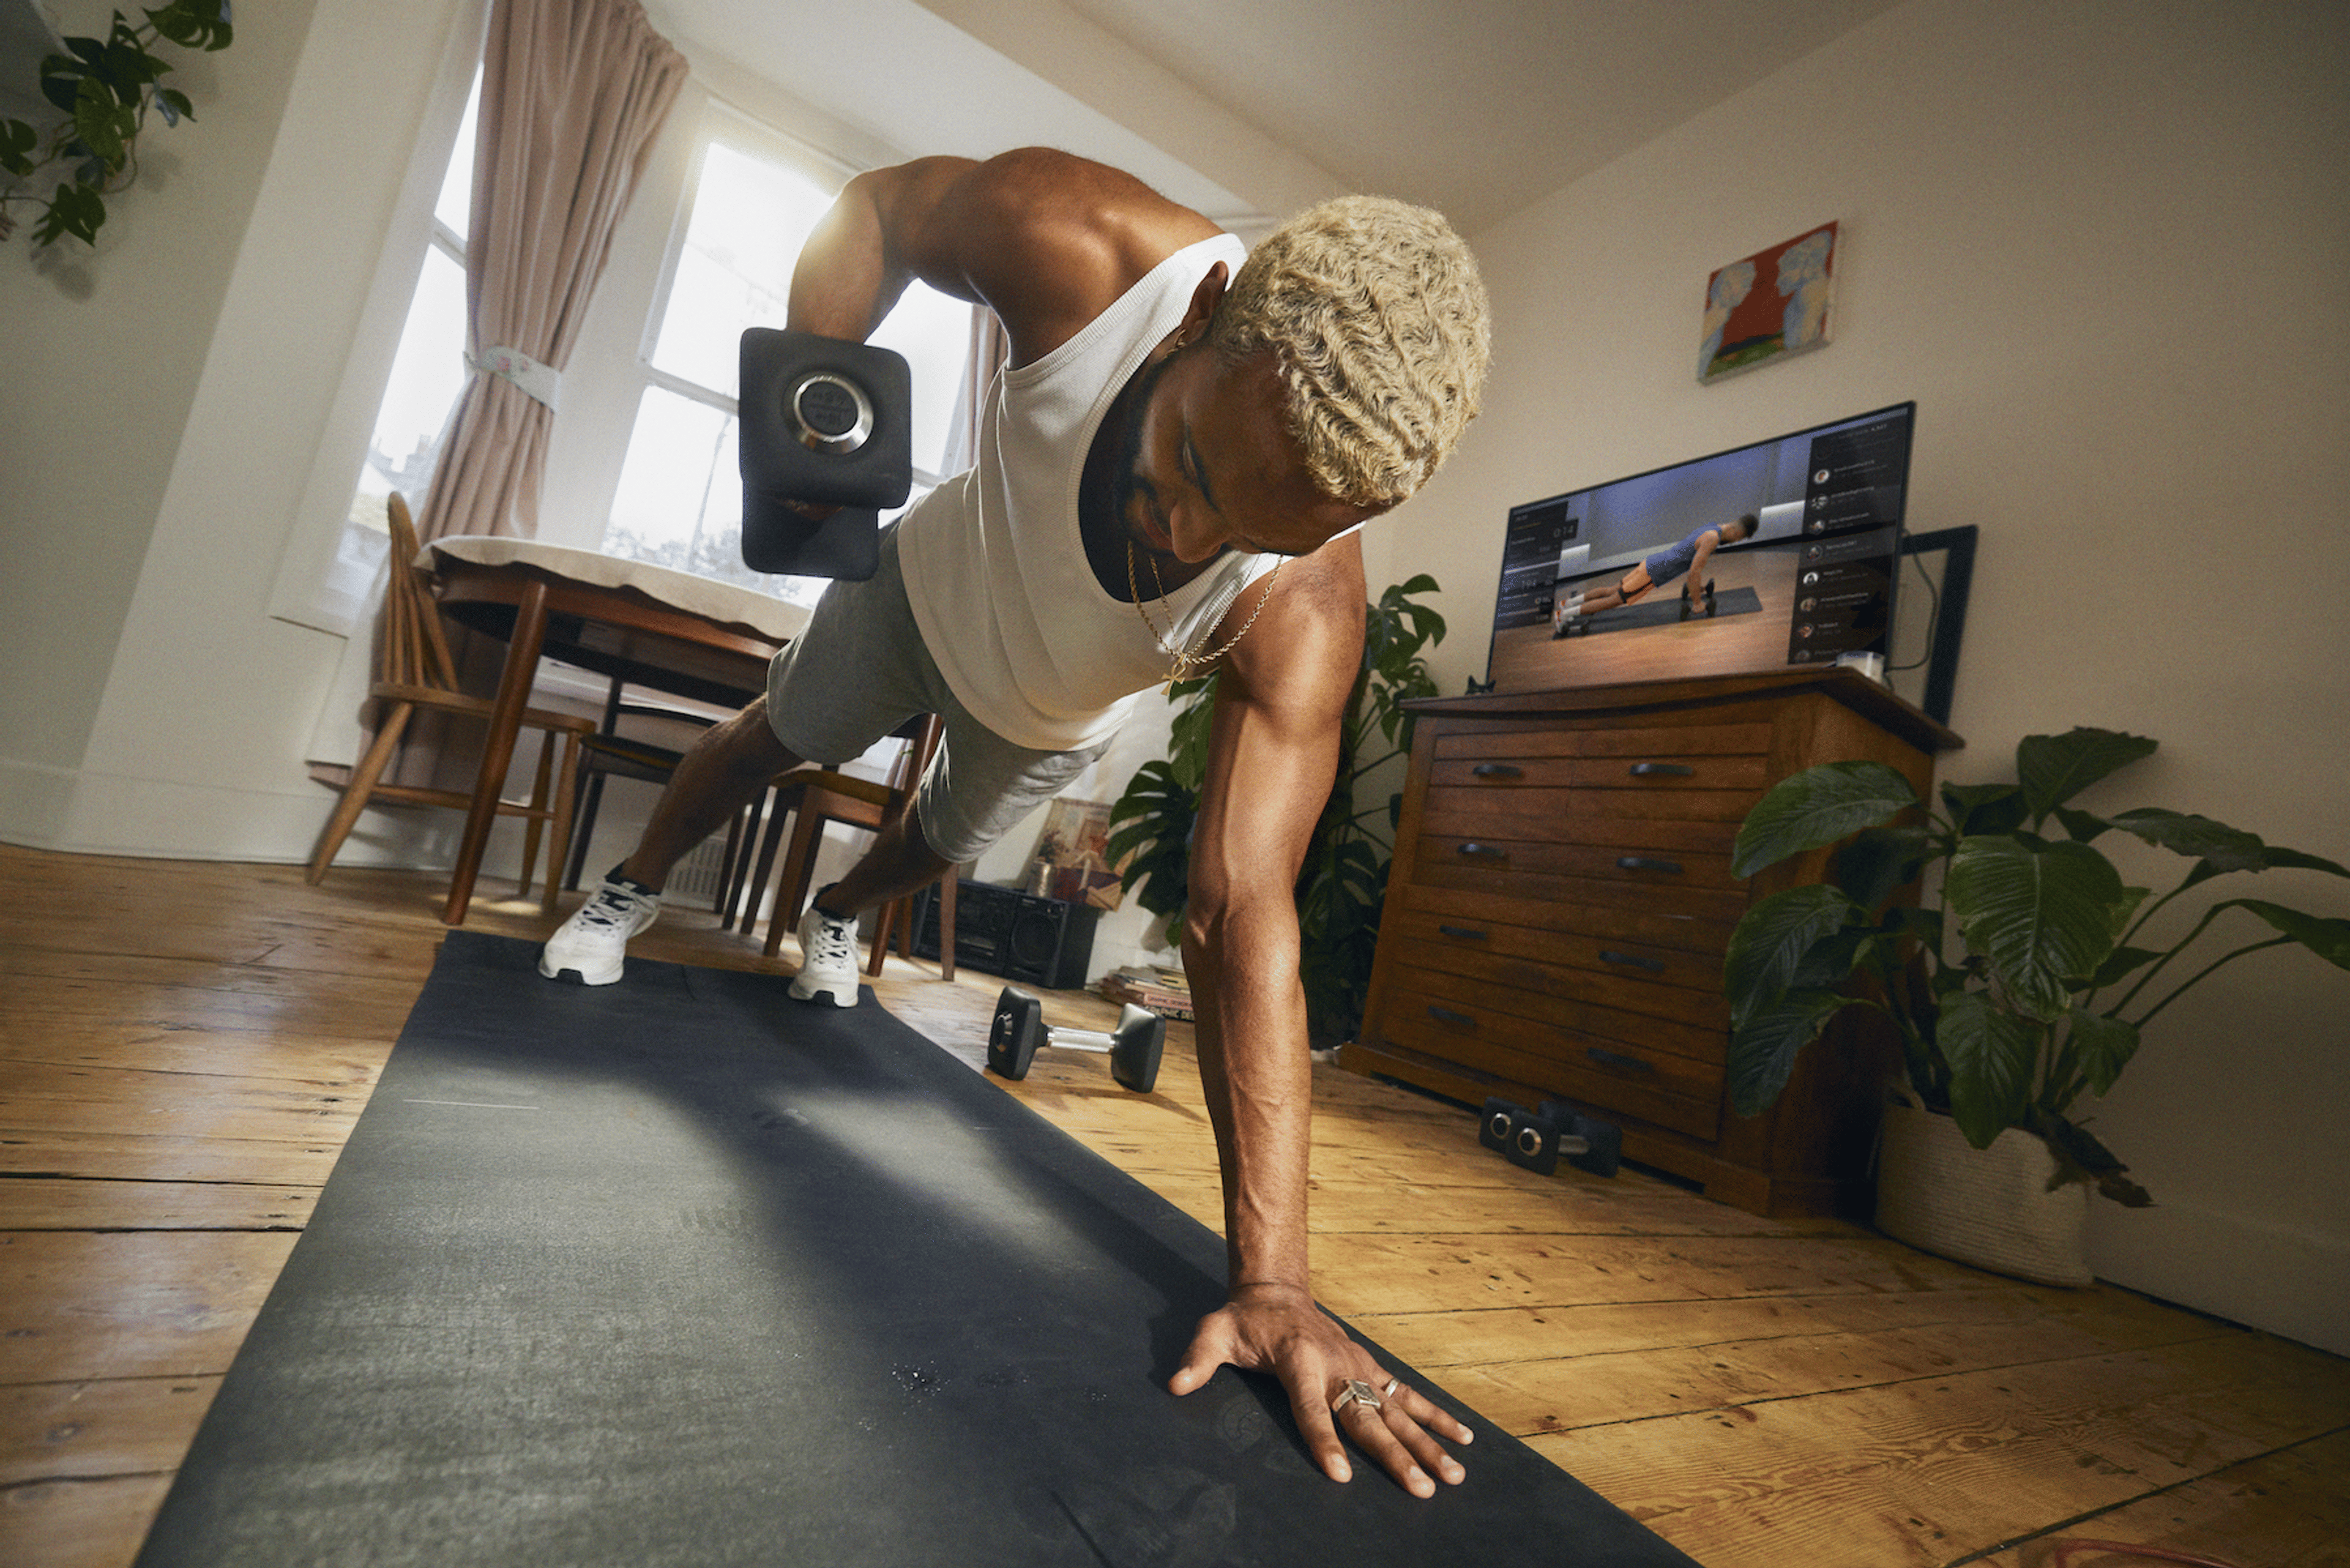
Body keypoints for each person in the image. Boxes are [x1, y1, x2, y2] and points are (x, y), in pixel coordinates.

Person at [537, 147, 1492, 1498]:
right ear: (1205, 314)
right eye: (1191, 464)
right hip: (920, 585)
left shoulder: (1305, 608)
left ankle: (830, 918)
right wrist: (811, 405)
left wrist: (1275, 1281)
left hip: (1042, 715)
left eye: (1242, 531)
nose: (1179, 530)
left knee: (930, 842)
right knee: (773, 740)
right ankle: (627, 888)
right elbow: (876, 209)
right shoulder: (1090, 255)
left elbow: (1239, 910)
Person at [1551, 512, 1756, 633]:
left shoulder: (1713, 527)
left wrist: (1698, 588)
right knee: (1612, 601)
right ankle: (1564, 615)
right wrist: (1697, 602)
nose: (1737, 541)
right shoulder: (1712, 539)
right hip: (1653, 574)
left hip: (1652, 563)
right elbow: (1694, 572)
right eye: (1740, 539)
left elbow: (1689, 562)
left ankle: (1568, 604)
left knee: (1610, 591)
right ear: (1739, 533)